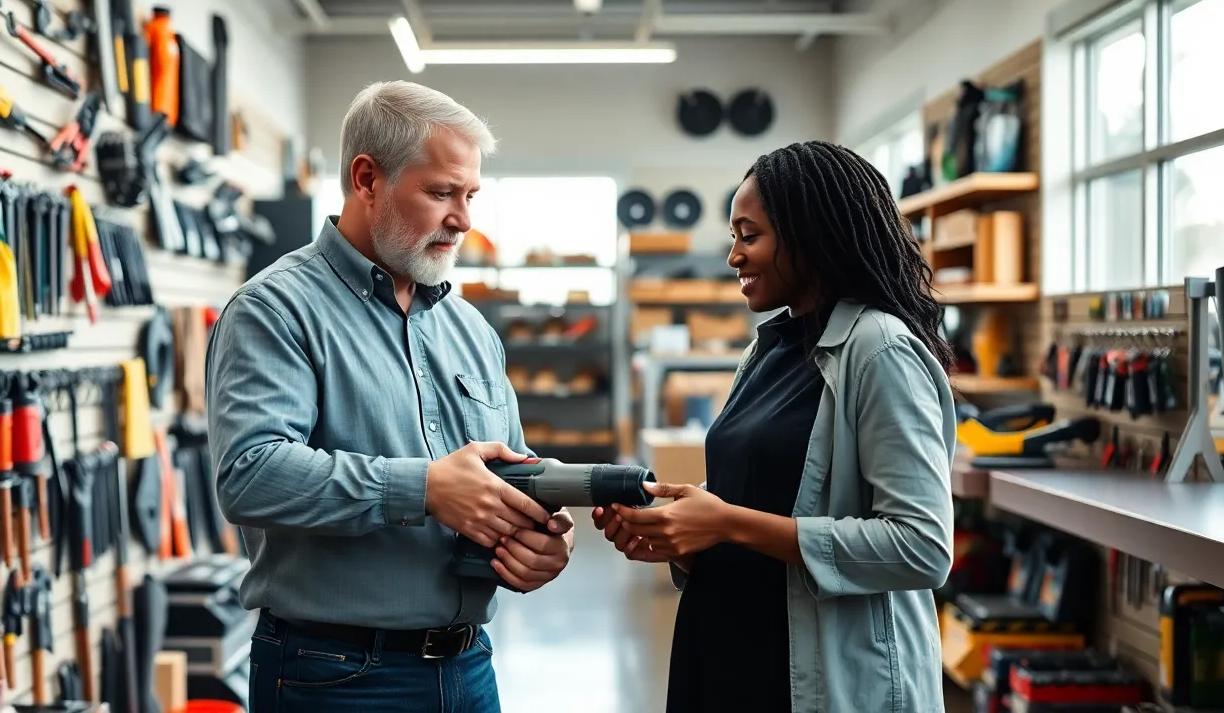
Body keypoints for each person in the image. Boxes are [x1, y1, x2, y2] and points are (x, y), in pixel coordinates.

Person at [207, 81, 575, 713]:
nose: (463, 218)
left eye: (470, 195)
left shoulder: (470, 329)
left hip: (469, 666)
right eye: (440, 193)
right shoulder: (274, 310)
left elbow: (509, 472)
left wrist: (547, 536)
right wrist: (424, 488)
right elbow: (250, 474)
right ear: (367, 178)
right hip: (335, 676)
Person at [595, 141, 957, 712]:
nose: (733, 255)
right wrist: (683, 539)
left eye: (749, 234)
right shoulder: (771, 349)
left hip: (821, 676)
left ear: (809, 235)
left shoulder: (879, 350)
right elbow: (757, 507)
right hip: (731, 654)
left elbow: (921, 548)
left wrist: (726, 522)